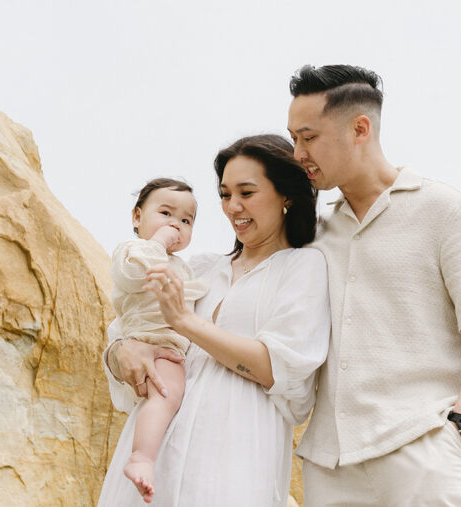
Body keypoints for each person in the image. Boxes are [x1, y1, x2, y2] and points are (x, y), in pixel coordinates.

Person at [286, 65, 461, 506]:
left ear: (360, 128)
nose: (298, 153)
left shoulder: (446, 210)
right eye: (293, 138)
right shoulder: (312, 234)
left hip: (423, 451)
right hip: (328, 468)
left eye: (309, 137)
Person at [97, 134, 331, 507]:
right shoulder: (202, 268)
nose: (232, 207)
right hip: (156, 454)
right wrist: (120, 351)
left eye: (246, 192)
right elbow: (128, 326)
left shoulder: (305, 267)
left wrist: (187, 322)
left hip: (236, 452)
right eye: (225, 195)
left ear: (286, 195)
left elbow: (279, 369)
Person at [109, 178, 210, 500]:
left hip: (168, 343)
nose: (174, 224)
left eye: (185, 220)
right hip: (151, 339)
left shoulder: (181, 265)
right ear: (137, 217)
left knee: (168, 395)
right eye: (165, 213)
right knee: (168, 394)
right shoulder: (133, 251)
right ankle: (142, 457)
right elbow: (135, 276)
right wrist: (158, 244)